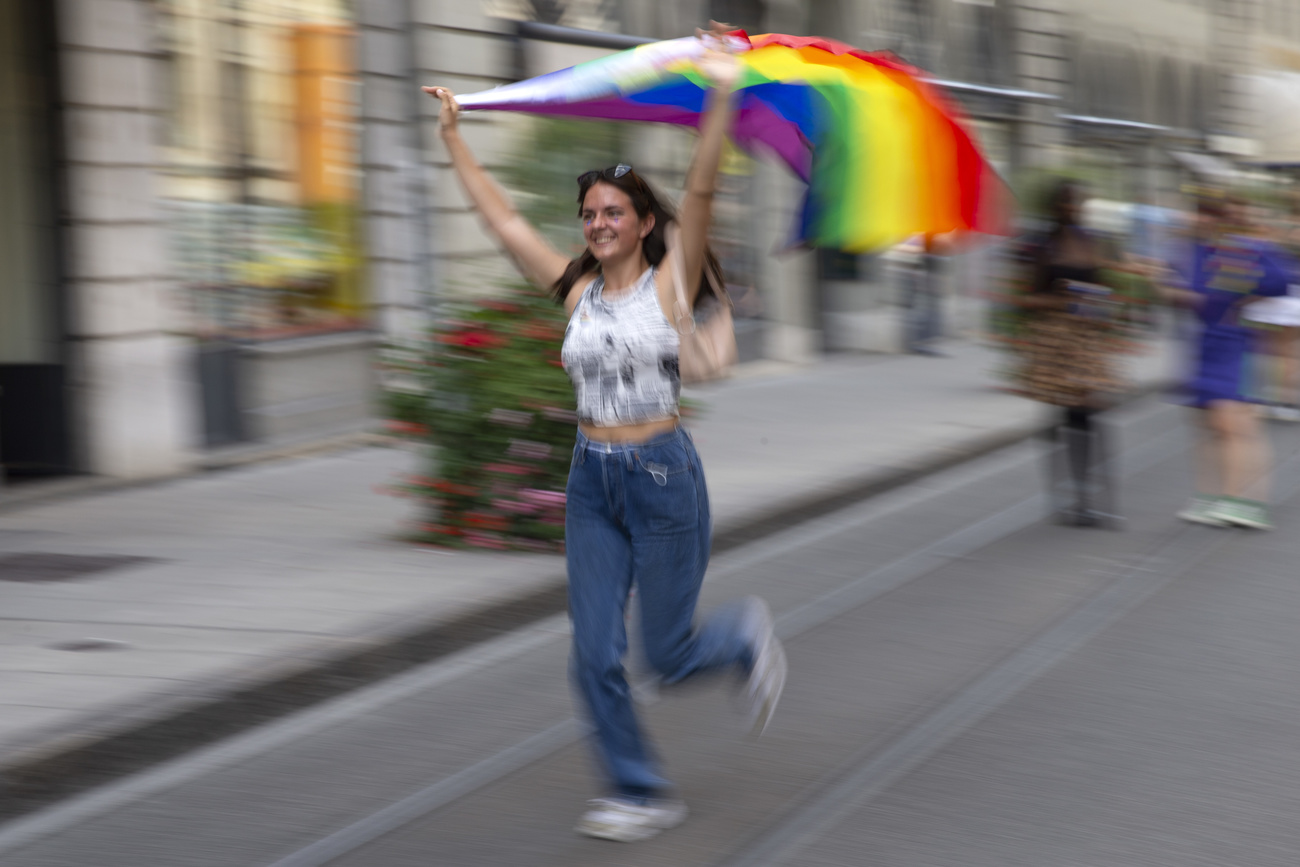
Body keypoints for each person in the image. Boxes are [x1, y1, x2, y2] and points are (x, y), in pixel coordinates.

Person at [423, 27, 786, 844]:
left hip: (662, 480)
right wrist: (455, 137)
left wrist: (722, 89)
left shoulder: (670, 281)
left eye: (612, 211)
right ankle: (640, 789)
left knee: (665, 654)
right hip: (591, 483)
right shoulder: (574, 290)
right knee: (591, 654)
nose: (596, 223)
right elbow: (502, 221)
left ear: (643, 219)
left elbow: (700, 192)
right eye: (588, 213)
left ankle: (738, 637)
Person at [1161, 193, 1294, 529]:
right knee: (1208, 424)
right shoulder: (1197, 252)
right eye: (1199, 214)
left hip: (1238, 345)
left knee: (1238, 424)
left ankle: (1248, 502)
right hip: (1207, 345)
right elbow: (1199, 299)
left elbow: (1280, 281)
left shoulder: (1248, 249)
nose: (1203, 220)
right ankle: (1211, 497)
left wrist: (1249, 299)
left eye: (1211, 215)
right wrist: (1171, 292)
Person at [1014, 180, 1127, 527]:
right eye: (1066, 202)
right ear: (1054, 207)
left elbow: (1109, 288)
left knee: (1088, 415)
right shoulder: (1042, 246)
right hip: (1056, 340)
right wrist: (1061, 300)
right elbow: (1026, 300)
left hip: (1087, 338)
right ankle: (1074, 499)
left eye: (1077, 201)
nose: (1072, 207)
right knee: (1071, 417)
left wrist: (1102, 302)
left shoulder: (1091, 241)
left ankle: (1088, 499)